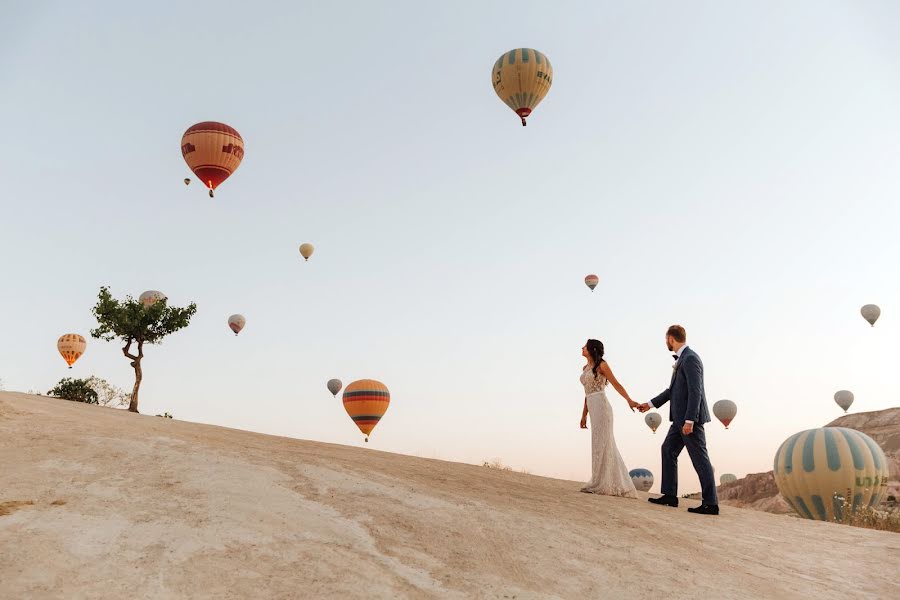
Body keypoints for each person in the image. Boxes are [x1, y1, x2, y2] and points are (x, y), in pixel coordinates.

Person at [638, 325, 719, 515]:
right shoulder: (682, 359)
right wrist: (649, 404)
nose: (666, 343)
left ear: (671, 339)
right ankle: (670, 496)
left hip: (689, 420)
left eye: (666, 339)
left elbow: (695, 391)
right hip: (679, 420)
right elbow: (671, 391)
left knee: (700, 459)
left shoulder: (690, 358)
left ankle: (711, 503)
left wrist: (690, 420)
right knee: (668, 449)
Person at [579, 339, 640, 497]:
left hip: (602, 408)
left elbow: (616, 384)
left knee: (605, 445)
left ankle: (606, 484)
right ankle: (598, 480)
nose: (582, 348)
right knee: (597, 445)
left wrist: (629, 400)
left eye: (585, 346)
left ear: (592, 349)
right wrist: (584, 415)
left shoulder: (602, 365)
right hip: (592, 407)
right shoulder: (585, 368)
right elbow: (586, 394)